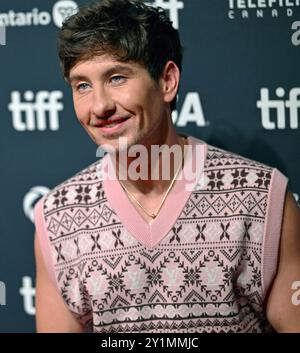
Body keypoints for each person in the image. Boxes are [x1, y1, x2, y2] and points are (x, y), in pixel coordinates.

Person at [33, 0, 300, 333]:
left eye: (117, 78)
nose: (99, 105)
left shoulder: (261, 198)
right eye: (82, 85)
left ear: (167, 81)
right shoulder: (58, 217)